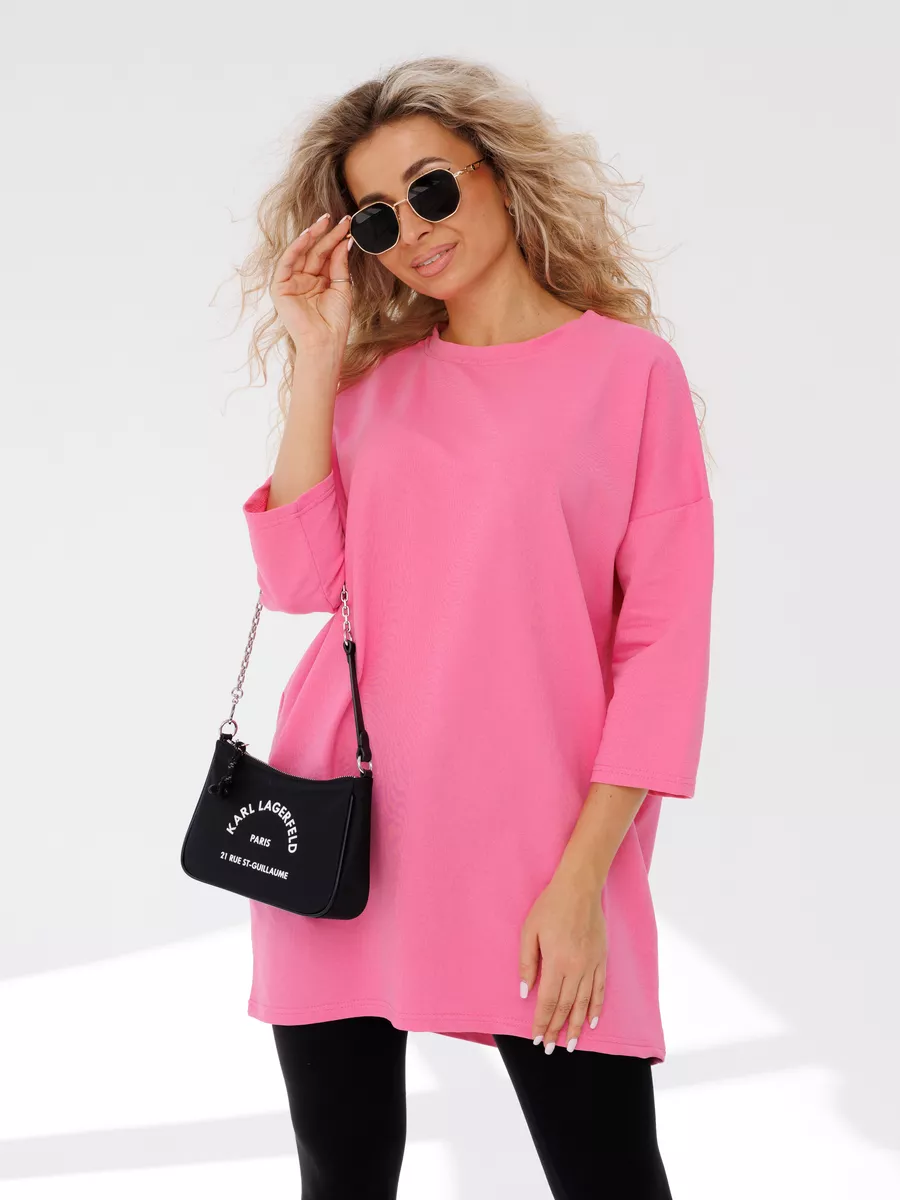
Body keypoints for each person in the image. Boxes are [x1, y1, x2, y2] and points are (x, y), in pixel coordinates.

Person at [235, 54, 713, 1200]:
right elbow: (298, 584)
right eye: (377, 216)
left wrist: (584, 880)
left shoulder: (629, 375)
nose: (412, 230)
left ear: (500, 173)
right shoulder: (372, 387)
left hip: (537, 853)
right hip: (343, 837)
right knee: (342, 1177)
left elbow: (661, 653)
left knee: (610, 1174)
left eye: (432, 189)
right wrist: (317, 356)